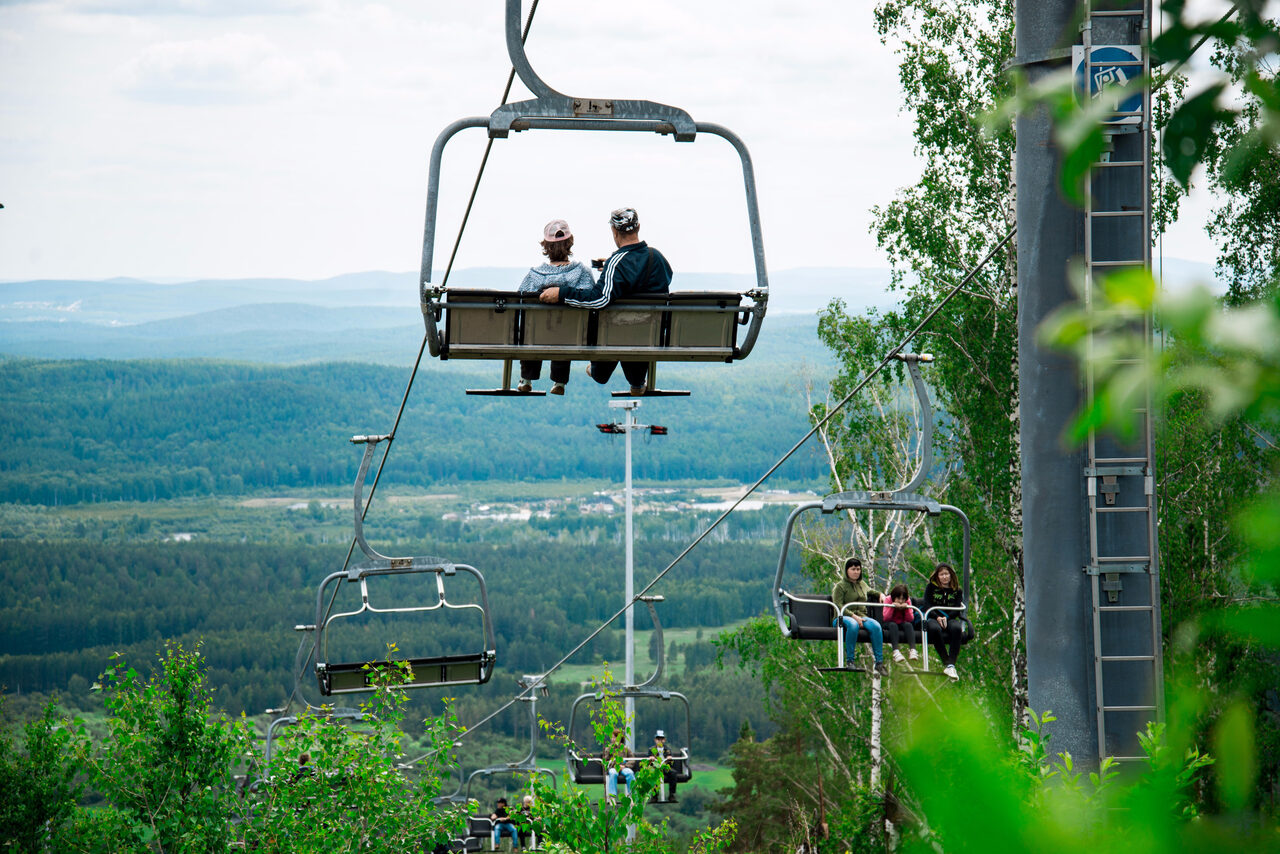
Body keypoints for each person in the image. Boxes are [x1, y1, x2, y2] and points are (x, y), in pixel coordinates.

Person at [538, 207, 673, 395]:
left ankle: (596, 371)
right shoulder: (657, 257)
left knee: (607, 354)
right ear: (638, 227)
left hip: (617, 333)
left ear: (614, 231)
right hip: (650, 334)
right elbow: (661, 280)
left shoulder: (617, 262)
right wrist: (613, 272)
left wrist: (561, 293)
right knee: (638, 331)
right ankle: (636, 383)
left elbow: (598, 299)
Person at [517, 219, 595, 395]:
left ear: (546, 246)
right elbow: (591, 299)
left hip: (537, 335)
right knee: (565, 329)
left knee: (531, 329)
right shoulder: (582, 273)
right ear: (570, 243)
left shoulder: (534, 276)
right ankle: (559, 382)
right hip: (571, 336)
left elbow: (519, 303)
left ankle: (526, 378)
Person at [831, 556, 887, 676]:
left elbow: (871, 591)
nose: (856, 572)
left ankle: (879, 662)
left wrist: (881, 594)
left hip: (861, 616)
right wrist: (853, 616)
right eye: (853, 569)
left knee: (876, 626)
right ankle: (850, 660)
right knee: (853, 625)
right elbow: (838, 605)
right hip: (842, 618)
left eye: (858, 569)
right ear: (847, 570)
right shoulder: (840, 587)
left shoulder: (862, 584)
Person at [924, 563, 966, 680]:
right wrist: (937, 617)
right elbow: (927, 604)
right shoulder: (931, 588)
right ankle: (946, 661)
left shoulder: (957, 591)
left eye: (946, 574)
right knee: (934, 629)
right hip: (933, 617)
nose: (944, 577)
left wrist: (946, 618)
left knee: (957, 629)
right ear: (937, 576)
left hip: (950, 618)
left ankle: (952, 663)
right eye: (941, 574)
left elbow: (957, 608)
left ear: (951, 575)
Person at [881, 583, 922, 664]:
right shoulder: (888, 599)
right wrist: (892, 607)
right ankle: (896, 651)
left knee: (908, 625)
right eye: (898, 598)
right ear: (894, 597)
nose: (900, 601)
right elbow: (886, 617)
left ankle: (913, 650)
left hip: (901, 622)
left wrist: (906, 608)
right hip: (889, 623)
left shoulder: (907, 601)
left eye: (902, 599)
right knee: (893, 625)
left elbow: (910, 619)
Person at [603, 732, 636, 802]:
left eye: (614, 737)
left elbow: (632, 759)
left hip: (624, 767)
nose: (613, 739)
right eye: (612, 737)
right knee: (613, 773)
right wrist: (614, 765)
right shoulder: (609, 748)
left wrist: (625, 766)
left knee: (630, 773)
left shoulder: (625, 748)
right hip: (613, 767)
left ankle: (632, 795)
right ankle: (612, 796)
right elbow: (606, 760)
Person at [650, 729, 679, 802]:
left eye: (661, 739)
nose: (660, 741)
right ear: (655, 740)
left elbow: (670, 758)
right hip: (656, 767)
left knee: (673, 773)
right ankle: (654, 795)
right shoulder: (651, 749)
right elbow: (649, 759)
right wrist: (651, 758)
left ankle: (672, 794)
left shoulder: (667, 749)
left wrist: (669, 758)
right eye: (658, 739)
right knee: (654, 775)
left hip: (665, 766)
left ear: (664, 740)